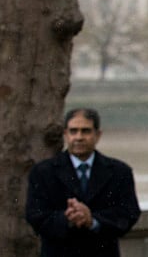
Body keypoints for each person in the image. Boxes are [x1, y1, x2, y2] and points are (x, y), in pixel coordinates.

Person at [25, 107, 141, 257]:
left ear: (98, 135)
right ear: (65, 134)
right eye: (73, 131)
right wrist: (68, 218)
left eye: (85, 131)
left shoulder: (119, 172)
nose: (79, 137)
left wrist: (92, 220)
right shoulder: (43, 172)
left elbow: (128, 214)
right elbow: (35, 216)